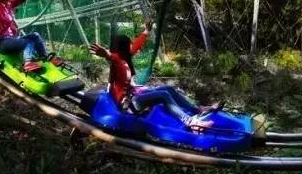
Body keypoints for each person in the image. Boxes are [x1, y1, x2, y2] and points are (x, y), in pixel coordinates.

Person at [88, 22, 219, 130]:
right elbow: (113, 58)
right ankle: (190, 122)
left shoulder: (126, 56)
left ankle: (196, 109)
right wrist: (106, 54)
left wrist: (146, 31)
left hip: (134, 96)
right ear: (123, 48)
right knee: (163, 95)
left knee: (168, 89)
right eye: (129, 45)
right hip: (128, 106)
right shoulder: (118, 62)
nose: (133, 48)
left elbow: (135, 46)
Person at [0, 0, 56, 73]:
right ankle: (27, 63)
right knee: (28, 43)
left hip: (13, 38)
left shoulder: (8, 3)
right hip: (3, 42)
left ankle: (44, 58)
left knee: (35, 35)